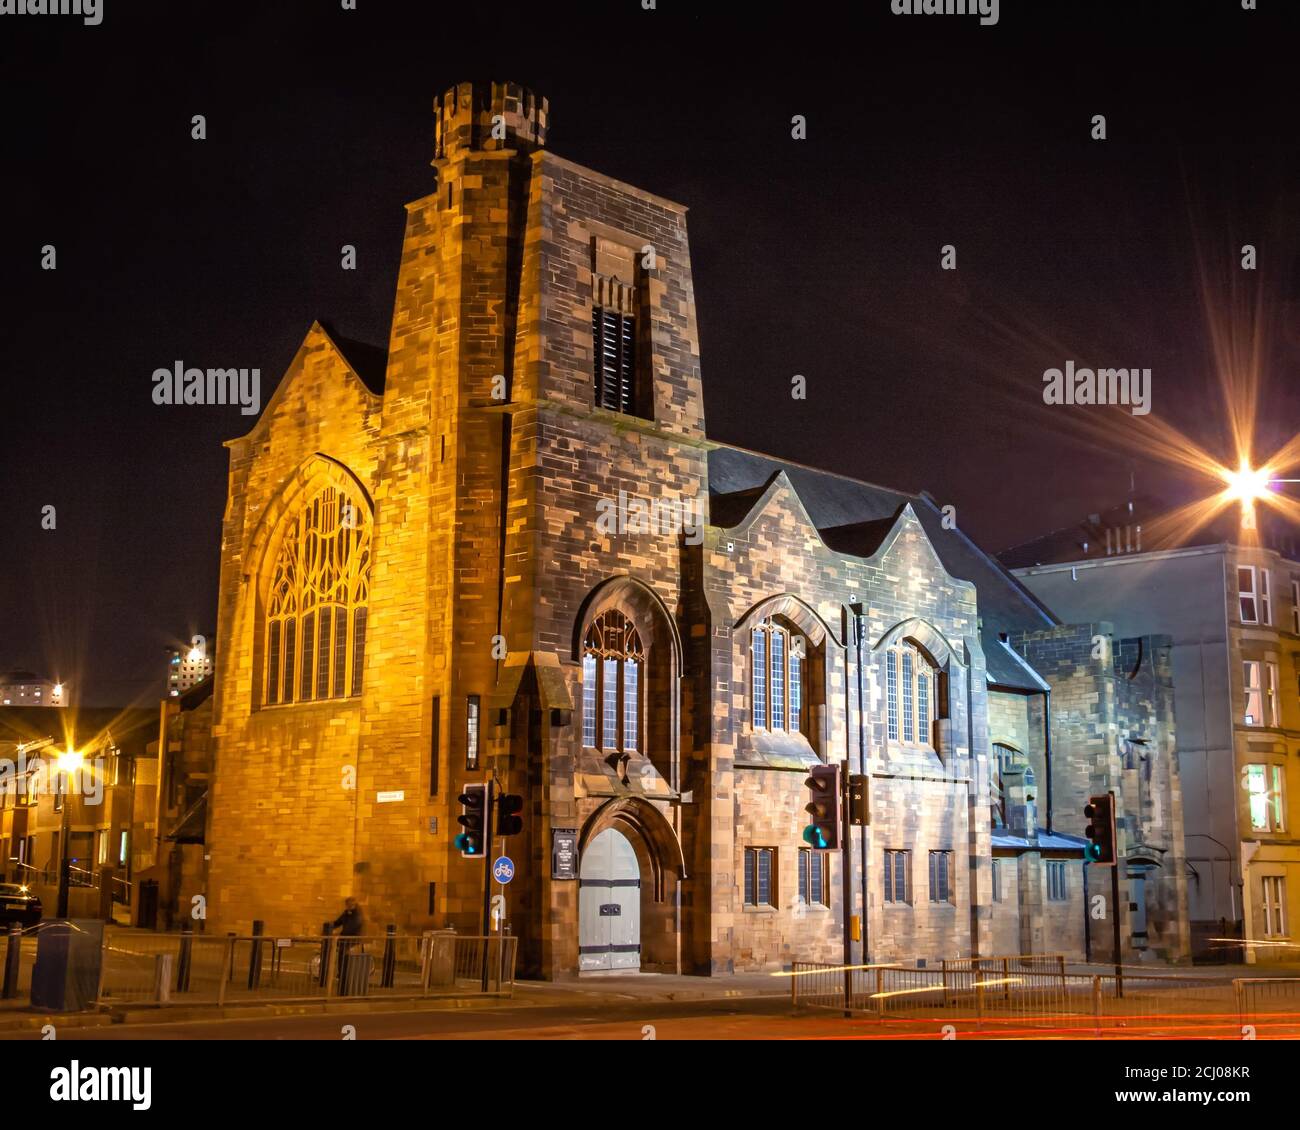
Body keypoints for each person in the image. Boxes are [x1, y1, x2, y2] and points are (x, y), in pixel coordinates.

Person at [330, 897, 365, 990]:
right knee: (341, 955)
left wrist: (339, 934)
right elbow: (338, 922)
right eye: (346, 905)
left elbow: (351, 928)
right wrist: (329, 927)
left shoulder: (357, 915)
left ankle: (345, 976)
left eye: (349, 905)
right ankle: (341, 974)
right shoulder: (346, 913)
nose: (347, 907)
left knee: (345, 955)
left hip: (353, 940)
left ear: (353, 905)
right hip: (345, 939)